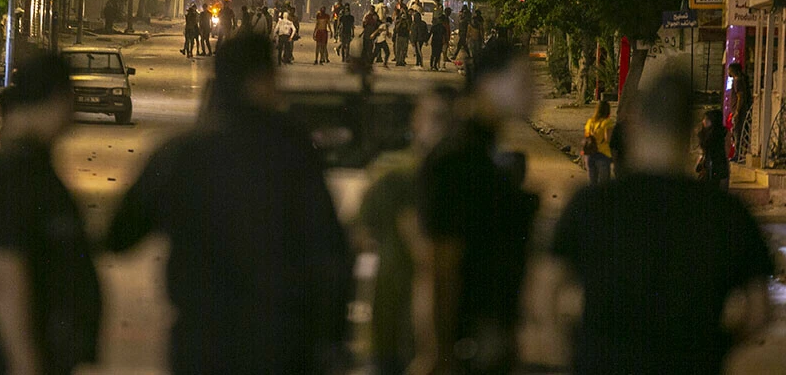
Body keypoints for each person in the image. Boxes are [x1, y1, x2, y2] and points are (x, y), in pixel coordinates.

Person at [105, 34, 351, 374]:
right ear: (263, 78)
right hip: (281, 342)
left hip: (203, 342)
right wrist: (333, 341)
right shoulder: (291, 148)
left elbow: (121, 234)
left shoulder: (183, 153)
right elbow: (330, 249)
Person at [546, 71, 773, 374]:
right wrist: (716, 346)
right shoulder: (727, 213)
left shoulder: (592, 204)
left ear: (638, 122)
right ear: (690, 132)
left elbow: (544, 292)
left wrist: (579, 344)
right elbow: (758, 311)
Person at [0, 53, 102, 375]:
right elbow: (3, 276)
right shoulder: (15, 174)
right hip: (21, 361)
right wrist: (25, 364)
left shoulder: (33, 167)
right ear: (58, 99)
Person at [415, 39, 538, 374]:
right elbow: (440, 267)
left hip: (488, 340)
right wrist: (440, 356)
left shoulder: (486, 152)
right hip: (468, 345)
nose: (533, 93)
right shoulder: (460, 158)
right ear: (489, 83)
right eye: (523, 81)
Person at [356, 87, 458, 374]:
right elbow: (361, 234)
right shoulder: (395, 175)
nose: (441, 129)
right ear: (417, 120)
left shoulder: (465, 178)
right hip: (393, 321)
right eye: (435, 118)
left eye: (449, 121)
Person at [697, 109, 731, 190]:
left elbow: (727, 150)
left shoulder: (722, 133)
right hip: (711, 164)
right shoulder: (704, 133)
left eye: (706, 119)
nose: (703, 121)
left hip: (717, 164)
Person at [583, 100, 615, 186]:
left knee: (592, 183)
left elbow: (586, 136)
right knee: (604, 184)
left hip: (589, 154)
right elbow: (607, 139)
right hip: (603, 154)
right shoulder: (607, 122)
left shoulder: (590, 122)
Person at [728, 62, 751, 158]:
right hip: (739, 111)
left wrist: (737, 111)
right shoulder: (740, 80)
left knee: (737, 132)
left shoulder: (737, 81)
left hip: (738, 112)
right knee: (738, 131)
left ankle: (738, 154)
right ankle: (739, 153)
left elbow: (740, 97)